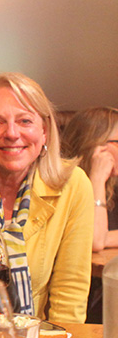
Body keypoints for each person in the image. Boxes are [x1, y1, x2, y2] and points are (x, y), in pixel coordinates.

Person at [0, 72, 93, 323]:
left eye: (25, 121)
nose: (12, 134)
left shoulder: (73, 184)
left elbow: (70, 292)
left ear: (44, 131)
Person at [61, 107, 118, 252]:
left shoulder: (114, 184)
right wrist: (97, 179)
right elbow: (94, 242)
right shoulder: (64, 186)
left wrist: (105, 238)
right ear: (95, 145)